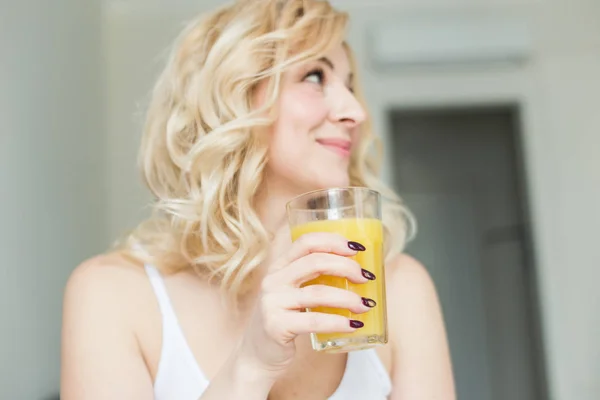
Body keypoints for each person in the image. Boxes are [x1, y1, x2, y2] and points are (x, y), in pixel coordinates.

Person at [60, 0, 455, 398]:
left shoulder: (401, 290)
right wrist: (250, 366)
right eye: (315, 76)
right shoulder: (114, 297)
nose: (355, 111)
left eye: (349, 85)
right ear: (232, 98)